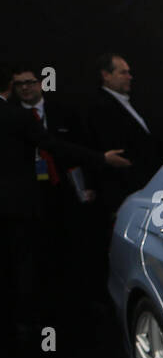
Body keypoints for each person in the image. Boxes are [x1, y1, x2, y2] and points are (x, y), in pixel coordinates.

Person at [2, 95, 130, 343]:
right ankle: (27, 320)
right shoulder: (17, 115)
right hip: (21, 202)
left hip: (49, 197)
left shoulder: (59, 111)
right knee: (24, 260)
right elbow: (53, 144)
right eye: (20, 84)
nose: (26, 89)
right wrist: (101, 158)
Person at [85, 53, 159, 217]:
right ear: (106, 75)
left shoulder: (130, 102)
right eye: (123, 72)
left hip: (143, 185)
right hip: (124, 189)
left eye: (129, 72)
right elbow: (114, 150)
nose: (129, 77)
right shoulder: (100, 107)